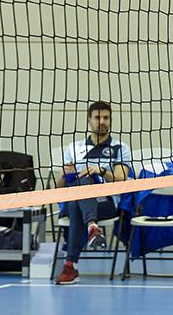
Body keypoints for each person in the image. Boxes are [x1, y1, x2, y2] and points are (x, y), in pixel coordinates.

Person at [54, 101, 132, 285]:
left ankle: (70, 265)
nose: (102, 121)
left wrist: (100, 171)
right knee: (77, 193)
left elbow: (121, 178)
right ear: (89, 120)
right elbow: (59, 185)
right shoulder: (74, 148)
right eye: (97, 117)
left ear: (111, 120)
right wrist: (66, 173)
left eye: (106, 117)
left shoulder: (120, 147)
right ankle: (92, 227)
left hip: (106, 203)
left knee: (79, 195)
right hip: (78, 202)